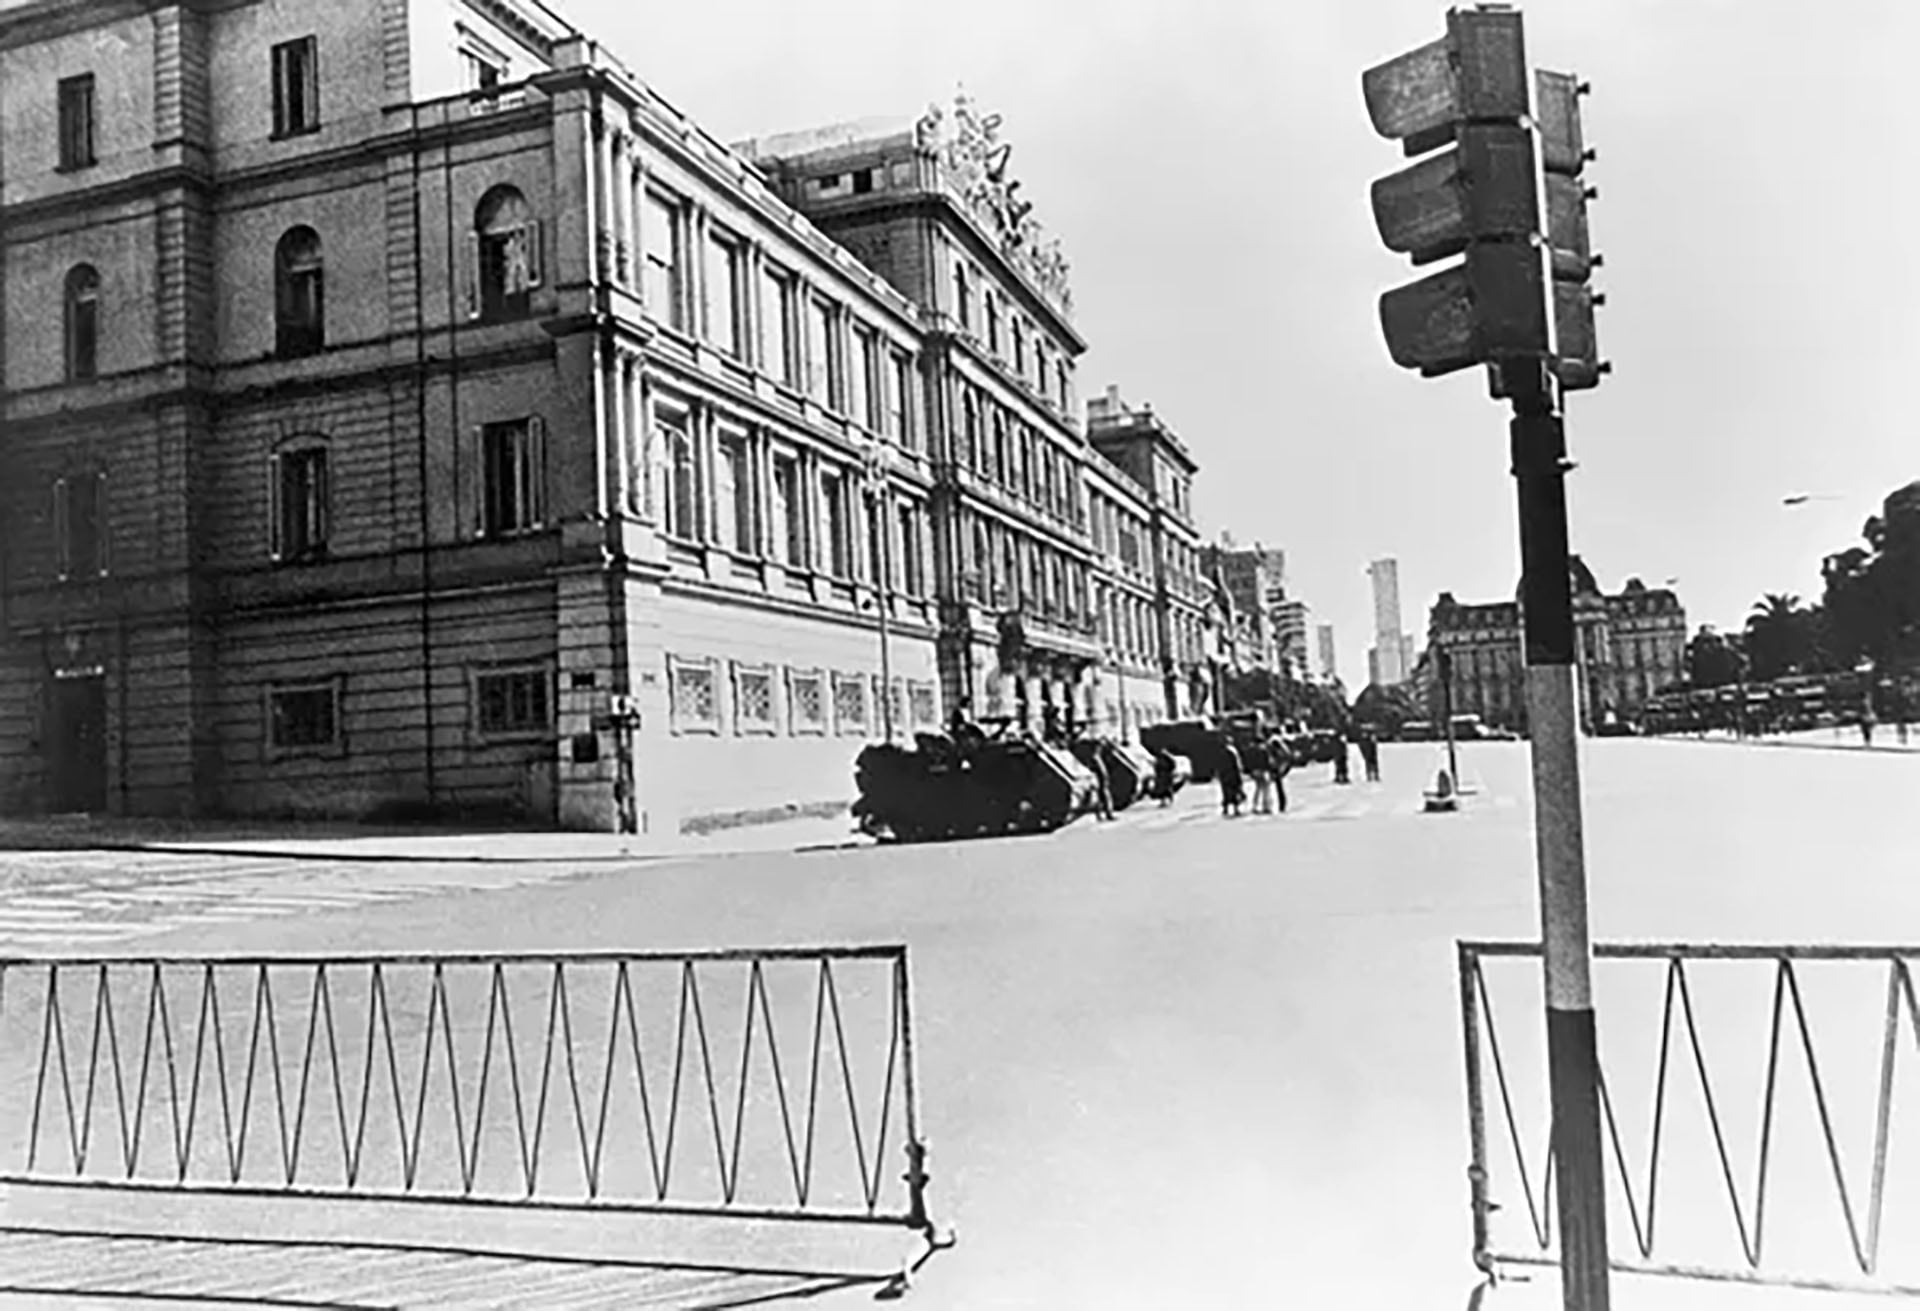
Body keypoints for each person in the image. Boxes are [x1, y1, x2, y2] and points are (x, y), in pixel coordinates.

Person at [1244, 736, 1273, 814]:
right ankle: (1266, 806)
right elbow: (1267, 761)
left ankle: (1255, 806)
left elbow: (1248, 762)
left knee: (1257, 789)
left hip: (1255, 771)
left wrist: (1250, 771)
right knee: (1266, 789)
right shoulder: (1263, 750)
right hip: (1263, 771)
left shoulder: (1250, 750)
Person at [1218, 739, 1245, 817]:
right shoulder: (1233, 752)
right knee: (1234, 790)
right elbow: (1236, 763)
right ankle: (1236, 809)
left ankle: (1225, 809)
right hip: (1232, 773)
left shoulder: (1221, 752)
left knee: (1225, 791)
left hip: (1224, 774)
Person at [1268, 734, 1293, 813]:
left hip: (1277, 769)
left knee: (1279, 789)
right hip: (1279, 768)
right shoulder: (1281, 746)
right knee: (1279, 788)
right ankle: (1281, 805)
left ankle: (1281, 805)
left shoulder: (1274, 745)